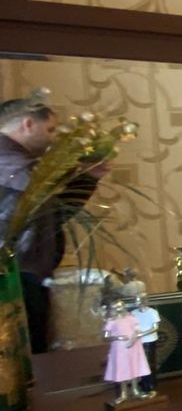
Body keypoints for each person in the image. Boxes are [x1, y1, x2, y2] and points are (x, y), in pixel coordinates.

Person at [0, 92, 107, 352]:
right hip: (11, 276)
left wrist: (88, 177)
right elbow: (34, 184)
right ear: (28, 124)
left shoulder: (28, 167)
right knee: (23, 353)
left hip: (27, 272)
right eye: (50, 130)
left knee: (34, 348)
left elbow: (54, 213)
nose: (53, 138)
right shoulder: (11, 162)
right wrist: (71, 163)